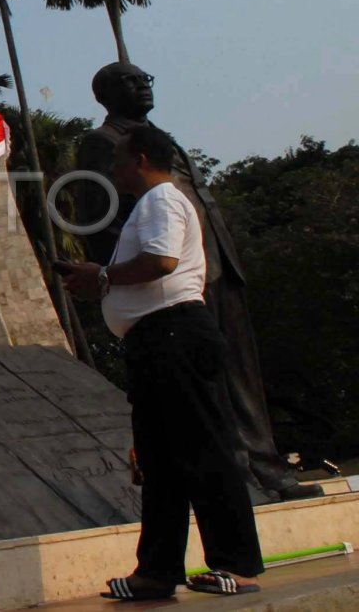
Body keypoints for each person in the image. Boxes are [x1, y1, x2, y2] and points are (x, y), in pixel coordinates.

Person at [75, 61, 320, 503]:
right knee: (205, 382)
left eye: (144, 79)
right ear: (104, 95)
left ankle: (267, 465)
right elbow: (100, 222)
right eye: (128, 81)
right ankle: (236, 475)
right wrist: (123, 279)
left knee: (242, 373)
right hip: (173, 279)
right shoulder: (103, 144)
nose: (141, 87)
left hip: (217, 263)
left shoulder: (159, 137)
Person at [61, 127, 263, 600]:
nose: (113, 169)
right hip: (155, 339)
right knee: (159, 461)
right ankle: (156, 570)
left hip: (175, 332)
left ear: (142, 159)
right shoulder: (149, 205)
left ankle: (237, 564)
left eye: (119, 160)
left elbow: (162, 261)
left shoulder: (161, 201)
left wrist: (104, 276)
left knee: (205, 450)